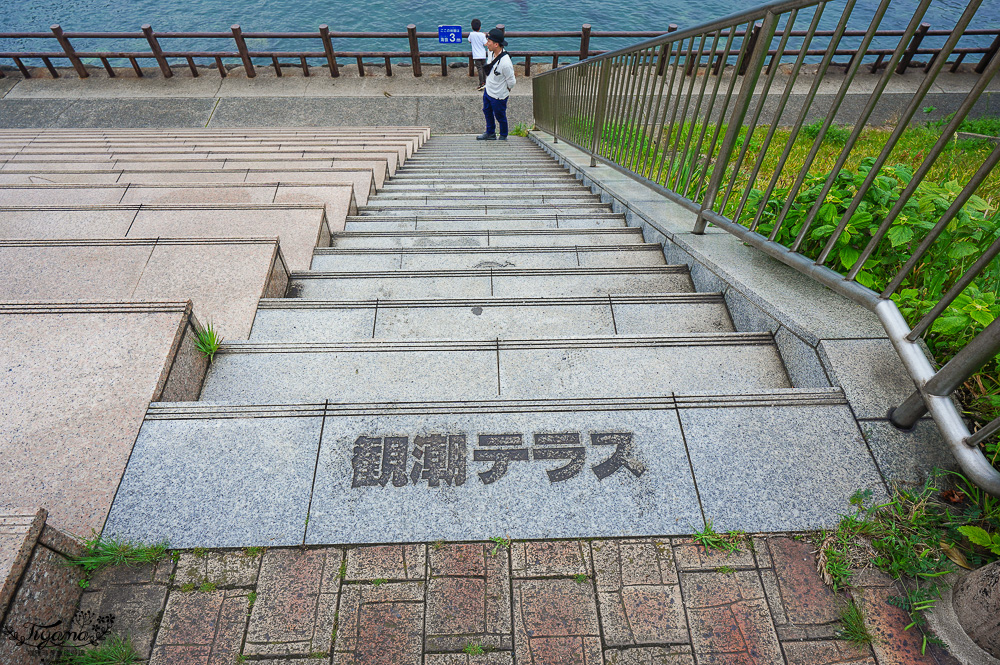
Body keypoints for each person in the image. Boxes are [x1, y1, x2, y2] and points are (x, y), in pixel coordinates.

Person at [477, 28, 516, 141]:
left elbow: (511, 82)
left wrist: (505, 90)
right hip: (488, 90)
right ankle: (490, 133)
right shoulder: (491, 52)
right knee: (487, 111)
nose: (486, 43)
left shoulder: (506, 63)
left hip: (499, 95)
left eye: (489, 41)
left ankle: (503, 135)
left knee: (500, 116)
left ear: (496, 44)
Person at [469, 19, 487, 88]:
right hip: (483, 54)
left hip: (476, 56)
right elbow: (485, 44)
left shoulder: (471, 34)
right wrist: (485, 35)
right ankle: (485, 82)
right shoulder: (482, 35)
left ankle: (481, 83)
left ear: (472, 27)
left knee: (479, 69)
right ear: (480, 27)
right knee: (484, 68)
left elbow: (469, 41)